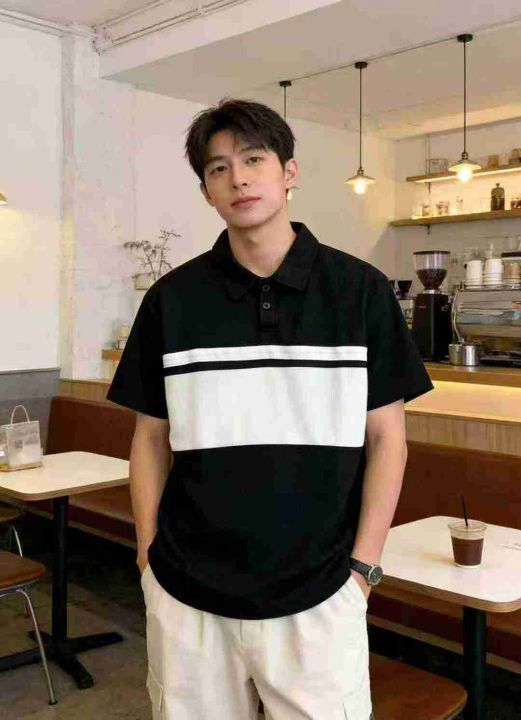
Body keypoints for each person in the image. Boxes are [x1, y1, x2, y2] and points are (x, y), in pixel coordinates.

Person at [107, 98, 433, 720]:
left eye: (254, 159)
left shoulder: (359, 291)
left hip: (321, 593)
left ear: (289, 172)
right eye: (219, 168)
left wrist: (363, 570)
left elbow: (388, 438)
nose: (239, 179)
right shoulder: (172, 300)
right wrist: (148, 556)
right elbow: (149, 438)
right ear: (206, 191)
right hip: (187, 594)